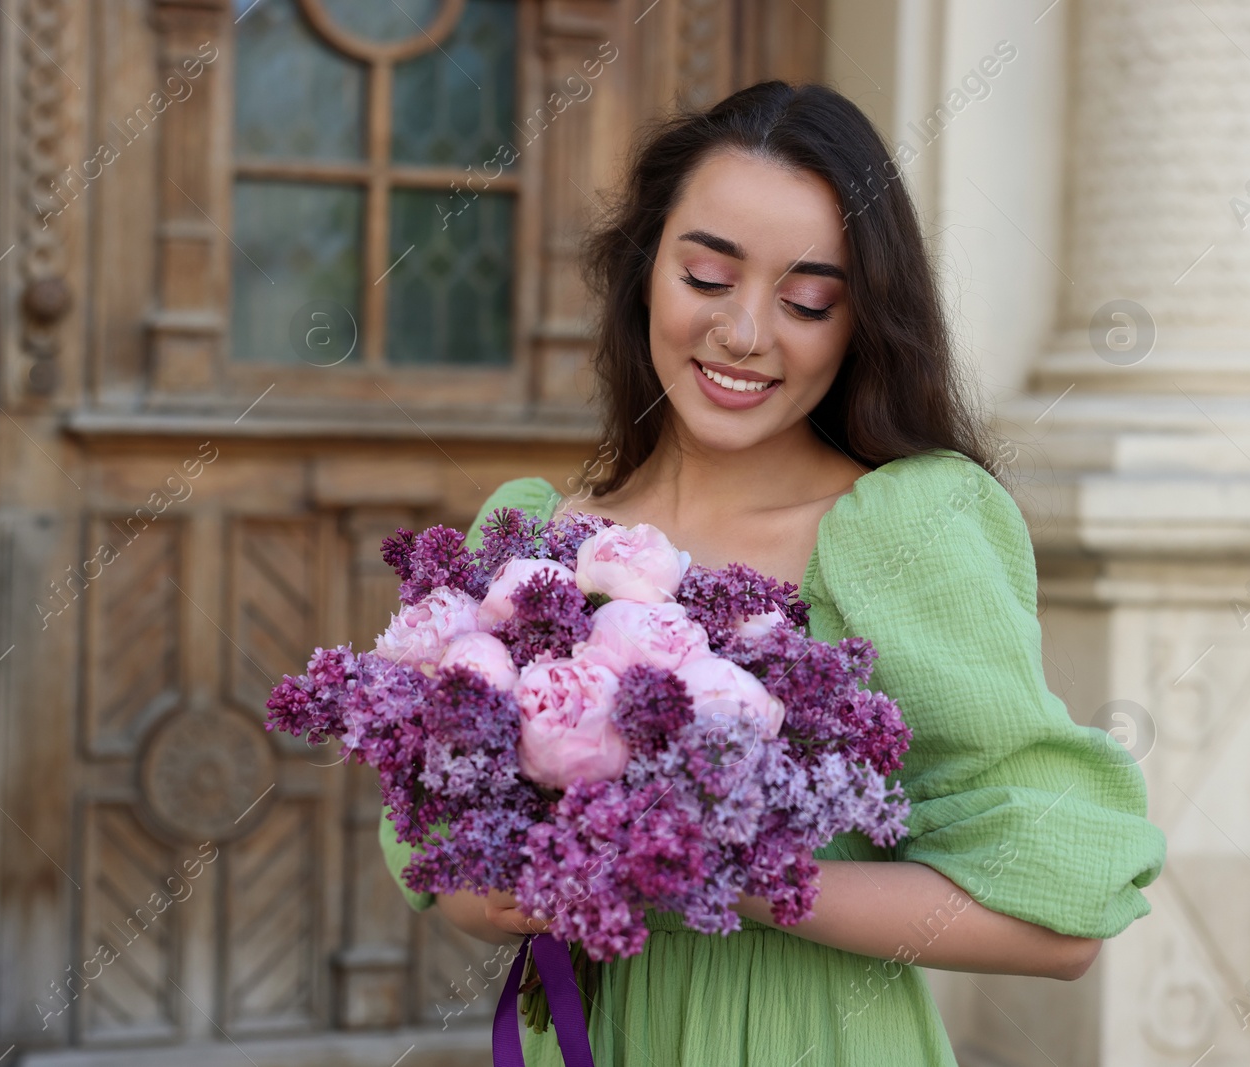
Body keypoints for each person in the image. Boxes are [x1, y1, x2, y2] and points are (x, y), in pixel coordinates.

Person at [378, 80, 1165, 1065]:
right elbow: (427, 831)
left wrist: (722, 871)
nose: (745, 332)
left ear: (860, 318)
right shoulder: (533, 542)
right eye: (706, 277)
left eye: (806, 300)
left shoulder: (899, 529)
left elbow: (1060, 918)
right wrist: (486, 890)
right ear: (643, 271)